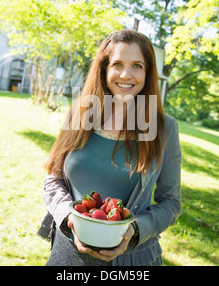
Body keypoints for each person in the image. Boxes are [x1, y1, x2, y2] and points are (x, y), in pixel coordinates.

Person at [37, 29, 182, 266]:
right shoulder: (80, 113)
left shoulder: (165, 128)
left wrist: (133, 231)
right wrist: (68, 218)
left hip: (132, 260)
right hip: (68, 254)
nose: (126, 75)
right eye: (117, 64)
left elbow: (171, 203)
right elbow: (53, 178)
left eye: (137, 65)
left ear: (147, 73)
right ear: (105, 69)